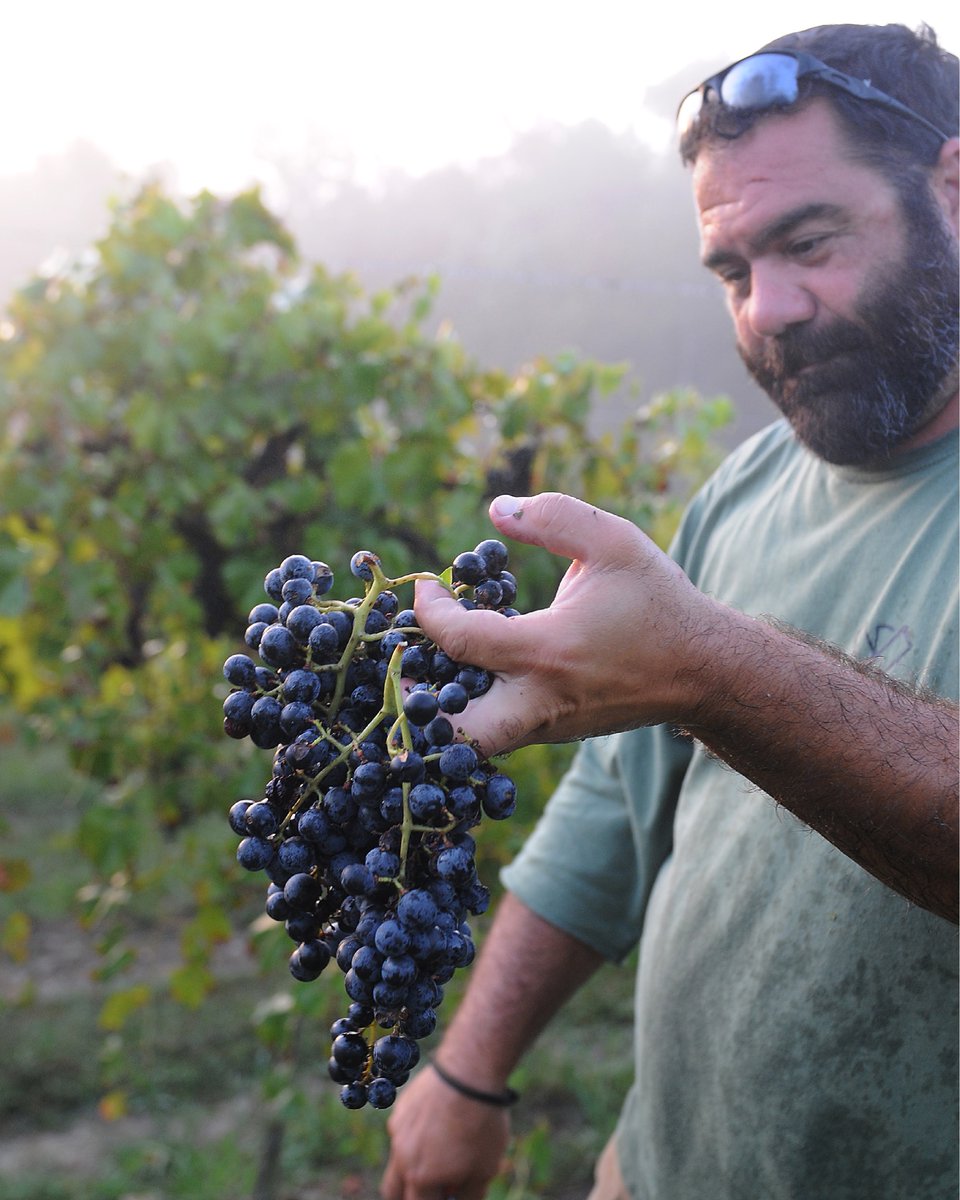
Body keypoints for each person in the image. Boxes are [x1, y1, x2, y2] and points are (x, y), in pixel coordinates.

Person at [380, 22, 959, 1200]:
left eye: (809, 242)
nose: (770, 311)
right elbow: (613, 811)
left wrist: (710, 668)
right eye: (733, 272)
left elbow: (701, 678)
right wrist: (471, 1068)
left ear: (952, 189)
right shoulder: (742, 493)